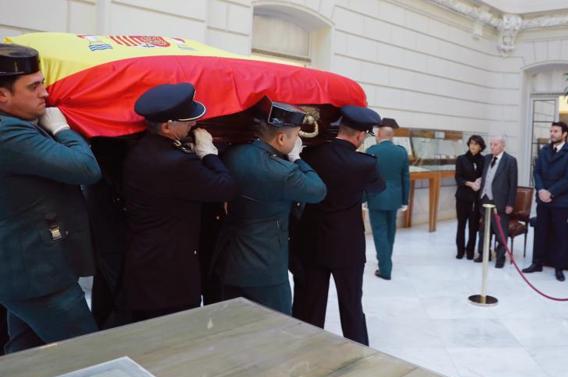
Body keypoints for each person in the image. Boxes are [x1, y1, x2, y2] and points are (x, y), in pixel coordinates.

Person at [0, 44, 101, 353]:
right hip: (38, 275)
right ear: (2, 96)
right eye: (33, 87)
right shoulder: (9, 134)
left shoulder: (18, 125)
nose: (45, 93)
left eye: (42, 82)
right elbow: (85, 168)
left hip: (28, 272)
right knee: (88, 354)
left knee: (27, 354)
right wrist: (63, 130)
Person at [122, 83, 237, 322]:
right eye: (188, 121)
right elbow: (226, 187)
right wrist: (209, 154)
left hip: (146, 264)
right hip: (170, 277)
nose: (193, 124)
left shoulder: (141, 149)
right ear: (167, 126)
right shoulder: (176, 163)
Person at [214, 97, 326, 315]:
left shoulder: (232, 155)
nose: (296, 142)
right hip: (266, 267)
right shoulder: (282, 171)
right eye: (295, 137)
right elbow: (318, 190)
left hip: (230, 260)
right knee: (276, 329)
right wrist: (297, 158)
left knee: (233, 326)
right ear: (282, 138)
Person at [293, 105, 386, 346]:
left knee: (309, 304)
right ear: (359, 135)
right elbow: (377, 188)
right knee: (351, 305)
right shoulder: (365, 164)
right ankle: (358, 353)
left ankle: (306, 351)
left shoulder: (311, 155)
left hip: (312, 240)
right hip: (347, 245)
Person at [523, 121, 568, 282]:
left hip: (560, 201)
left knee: (560, 235)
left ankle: (559, 268)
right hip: (542, 199)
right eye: (551, 131)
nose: (552, 134)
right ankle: (537, 263)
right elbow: (537, 171)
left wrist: (551, 192)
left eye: (555, 131)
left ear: (564, 134)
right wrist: (541, 190)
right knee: (540, 232)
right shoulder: (544, 150)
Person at [364, 118, 409, 280]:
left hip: (376, 197)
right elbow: (405, 178)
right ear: (392, 135)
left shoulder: (371, 150)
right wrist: (405, 201)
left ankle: (385, 269)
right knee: (390, 231)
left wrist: (363, 199)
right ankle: (386, 261)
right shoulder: (401, 152)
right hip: (395, 198)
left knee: (380, 233)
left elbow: (366, 178)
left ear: (379, 134)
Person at [475, 135, 517, 268]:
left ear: (503, 146)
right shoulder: (487, 158)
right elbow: (484, 176)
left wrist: (510, 204)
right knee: (484, 229)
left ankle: (500, 257)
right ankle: (483, 254)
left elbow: (513, 184)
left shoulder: (510, 161)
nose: (492, 147)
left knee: (500, 231)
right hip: (484, 198)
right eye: (491, 144)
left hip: (500, 201)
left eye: (495, 145)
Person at [454, 135, 486, 260]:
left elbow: (485, 176)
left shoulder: (484, 160)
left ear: (480, 147)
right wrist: (470, 183)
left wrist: (480, 181)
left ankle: (470, 250)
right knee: (461, 225)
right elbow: (458, 178)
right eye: (471, 143)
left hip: (476, 199)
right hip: (462, 197)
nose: (473, 146)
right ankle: (460, 250)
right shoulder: (461, 159)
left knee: (473, 226)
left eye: (476, 144)